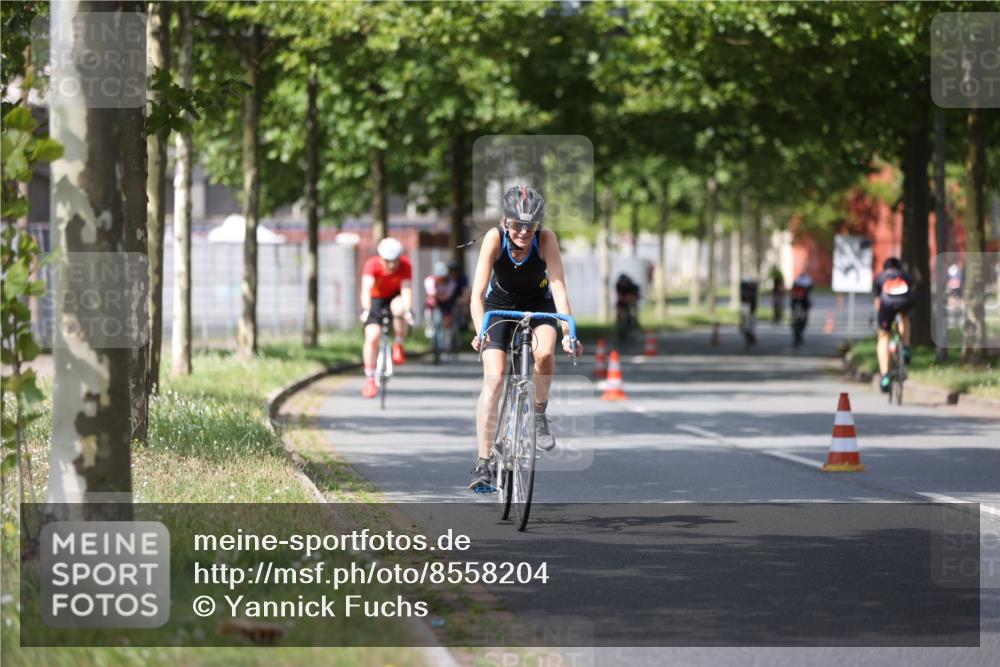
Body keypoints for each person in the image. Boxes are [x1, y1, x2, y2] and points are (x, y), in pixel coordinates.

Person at [468, 185, 582, 492]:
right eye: (517, 224)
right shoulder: (494, 239)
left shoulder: (546, 239)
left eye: (530, 225)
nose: (523, 231)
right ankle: (483, 462)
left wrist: (569, 334)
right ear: (505, 221)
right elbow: (477, 295)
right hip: (499, 306)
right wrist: (480, 329)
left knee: (544, 354)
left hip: (538, 303)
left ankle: (539, 413)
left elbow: (558, 288)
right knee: (494, 378)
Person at [359, 237, 414, 399]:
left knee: (399, 308)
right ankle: (370, 379)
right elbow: (366, 289)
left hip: (394, 296)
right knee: (372, 336)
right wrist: (366, 309)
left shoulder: (405, 265)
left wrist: (408, 310)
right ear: (380, 258)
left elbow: (406, 290)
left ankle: (399, 344)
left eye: (395, 261)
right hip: (376, 299)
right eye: (387, 261)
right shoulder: (371, 265)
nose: (391, 265)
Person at [873, 257, 916, 393]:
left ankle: (885, 376)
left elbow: (878, 301)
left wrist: (882, 321)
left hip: (886, 306)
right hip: (904, 303)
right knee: (905, 317)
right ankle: (905, 347)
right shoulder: (906, 276)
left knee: (883, 336)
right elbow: (913, 294)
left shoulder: (880, 277)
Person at [423, 261, 457, 349]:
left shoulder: (451, 281)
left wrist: (439, 296)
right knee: (429, 307)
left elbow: (447, 296)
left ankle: (447, 340)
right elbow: (431, 294)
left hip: (445, 302)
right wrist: (437, 296)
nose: (441, 279)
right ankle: (429, 325)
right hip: (433, 302)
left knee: (447, 319)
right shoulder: (429, 280)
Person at [615, 273, 641, 340]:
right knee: (620, 315)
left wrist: (629, 299)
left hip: (631, 302)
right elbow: (619, 296)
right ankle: (620, 330)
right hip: (622, 303)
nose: (623, 284)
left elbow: (635, 297)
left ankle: (633, 325)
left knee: (633, 313)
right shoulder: (618, 285)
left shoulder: (632, 286)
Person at [789, 272, 813, 345]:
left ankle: (797, 329)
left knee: (798, 317)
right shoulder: (807, 281)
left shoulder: (798, 281)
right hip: (800, 302)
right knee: (802, 317)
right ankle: (797, 330)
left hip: (799, 302)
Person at [739, 277, 759, 344]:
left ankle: (750, 331)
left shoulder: (745, 287)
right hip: (748, 305)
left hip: (749, 305)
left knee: (750, 317)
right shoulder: (752, 288)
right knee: (750, 317)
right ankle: (749, 331)